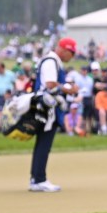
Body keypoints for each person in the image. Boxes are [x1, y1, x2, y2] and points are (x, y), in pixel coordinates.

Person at [29, 37, 79, 192]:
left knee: (42, 144)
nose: (71, 57)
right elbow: (50, 84)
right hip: (47, 110)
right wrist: (68, 88)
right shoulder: (51, 61)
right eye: (71, 53)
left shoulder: (53, 61)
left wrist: (67, 86)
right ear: (64, 50)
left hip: (47, 108)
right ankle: (39, 179)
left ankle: (36, 178)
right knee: (44, 144)